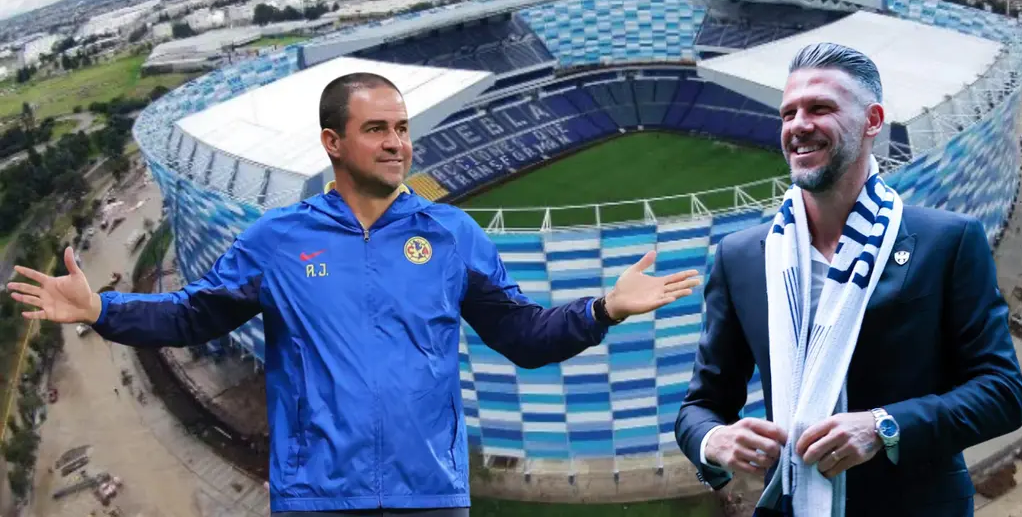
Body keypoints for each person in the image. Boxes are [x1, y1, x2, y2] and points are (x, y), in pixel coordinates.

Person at [9, 72, 702, 516]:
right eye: (378, 129)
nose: (398, 143)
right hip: (317, 499)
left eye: (402, 128)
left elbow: (520, 336)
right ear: (332, 143)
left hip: (430, 495)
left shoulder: (453, 235)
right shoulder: (277, 240)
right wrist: (102, 310)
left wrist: (602, 309)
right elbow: (196, 314)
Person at [674, 43, 1022, 517]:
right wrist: (715, 441)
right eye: (788, 113)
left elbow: (1003, 392)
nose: (799, 124)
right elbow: (700, 407)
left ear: (873, 121)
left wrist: (886, 428)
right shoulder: (741, 258)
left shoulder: (948, 243)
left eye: (820, 107)